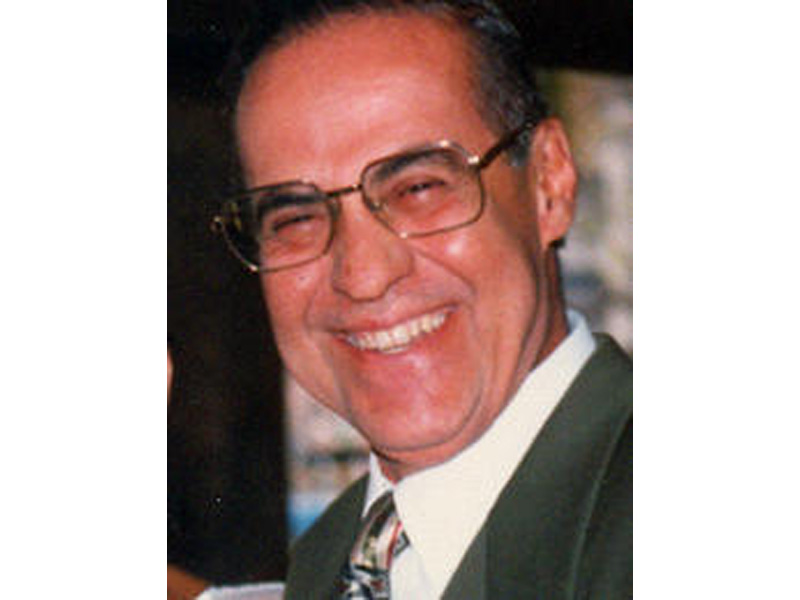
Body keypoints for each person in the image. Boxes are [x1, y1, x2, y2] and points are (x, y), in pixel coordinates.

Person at [211, 0, 632, 597]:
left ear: (548, 180)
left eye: (418, 188)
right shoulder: (328, 559)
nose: (363, 275)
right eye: (296, 218)